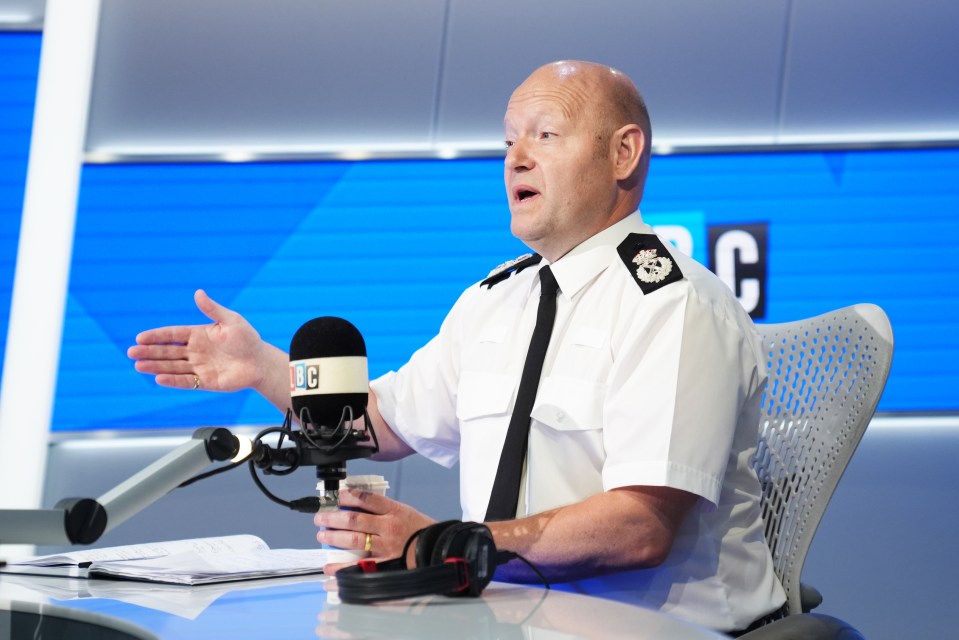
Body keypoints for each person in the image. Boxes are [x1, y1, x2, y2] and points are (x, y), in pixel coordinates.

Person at [128, 60, 786, 633]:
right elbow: (380, 426)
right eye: (508, 141)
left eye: (545, 136)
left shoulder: (674, 305)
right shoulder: (493, 301)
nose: (515, 158)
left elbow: (638, 527)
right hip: (503, 621)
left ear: (623, 153)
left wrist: (444, 543)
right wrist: (263, 367)